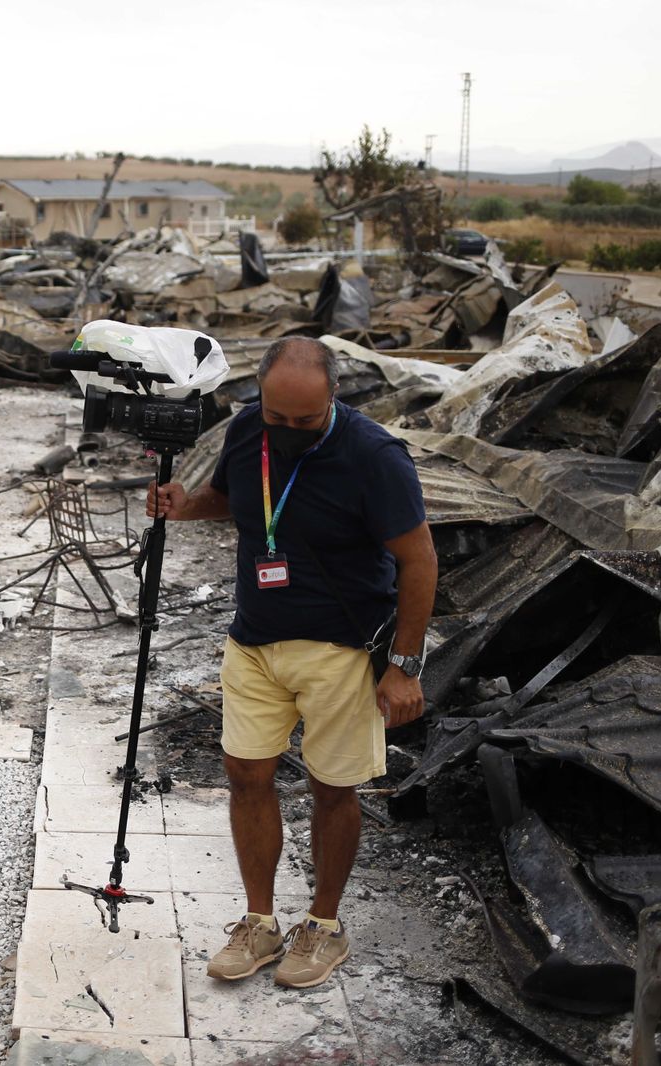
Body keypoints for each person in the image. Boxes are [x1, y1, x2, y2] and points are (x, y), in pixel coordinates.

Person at [147, 336, 436, 989]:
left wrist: (406, 664)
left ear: (334, 395)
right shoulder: (251, 428)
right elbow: (235, 500)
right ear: (261, 399)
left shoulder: (375, 456)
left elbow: (419, 560)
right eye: (278, 418)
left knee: (332, 788)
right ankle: (260, 923)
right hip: (255, 639)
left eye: (304, 422)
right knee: (246, 772)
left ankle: (324, 928)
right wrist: (185, 505)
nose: (289, 432)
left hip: (341, 648)